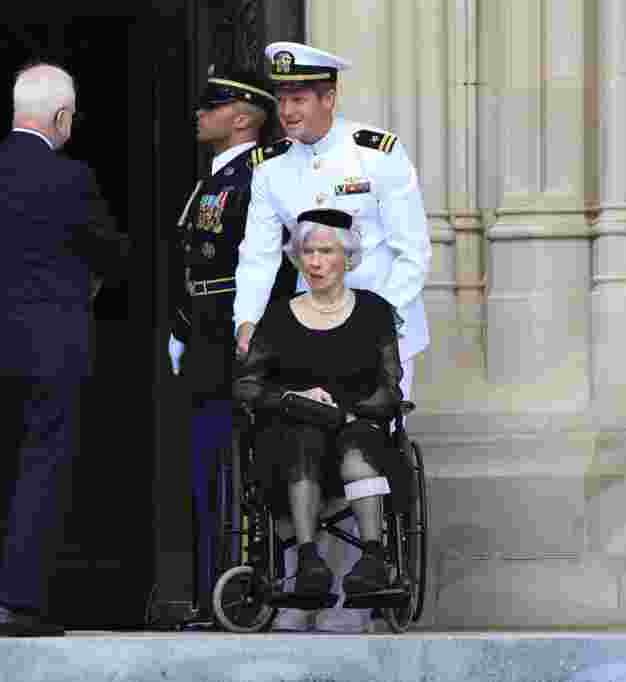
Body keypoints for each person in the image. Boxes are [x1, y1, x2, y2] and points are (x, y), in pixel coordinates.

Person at [233, 41, 431, 632]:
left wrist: (377, 322)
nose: (288, 111)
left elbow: (412, 252)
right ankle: (303, 582)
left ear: (329, 97)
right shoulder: (271, 166)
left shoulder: (376, 154)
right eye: (283, 99)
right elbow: (257, 256)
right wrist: (247, 322)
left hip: (381, 330)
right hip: (307, 332)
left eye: (300, 98)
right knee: (298, 437)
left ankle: (358, 597)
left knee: (359, 437)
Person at [0, 62, 130, 636]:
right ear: (62, 117)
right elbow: (112, 253)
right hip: (54, 352)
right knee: (43, 472)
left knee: (1, 475)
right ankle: (18, 604)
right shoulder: (73, 178)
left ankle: (4, 596)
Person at [166, 67, 296, 625]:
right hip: (204, 333)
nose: (200, 114)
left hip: (242, 334)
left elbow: (271, 264)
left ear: (242, 117)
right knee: (205, 463)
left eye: (211, 106)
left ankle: (248, 587)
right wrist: (181, 324)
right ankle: (208, 590)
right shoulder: (213, 178)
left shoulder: (263, 172)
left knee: (243, 463)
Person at [233, 208, 405, 608]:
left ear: (348, 257)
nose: (315, 262)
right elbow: (247, 386)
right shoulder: (279, 315)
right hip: (294, 430)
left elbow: (390, 388)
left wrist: (349, 410)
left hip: (356, 422)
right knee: (302, 442)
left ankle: (373, 558)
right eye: (307, 252)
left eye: (326, 251)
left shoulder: (374, 311)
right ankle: (309, 560)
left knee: (358, 448)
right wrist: (295, 399)